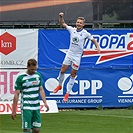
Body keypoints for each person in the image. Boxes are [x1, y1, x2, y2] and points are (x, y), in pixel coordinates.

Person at [53, 12, 100, 102]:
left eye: (80, 23)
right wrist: (60, 17)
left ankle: (67, 93)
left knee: (73, 74)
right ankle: (59, 85)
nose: (78, 24)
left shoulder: (85, 33)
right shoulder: (72, 30)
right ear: (76, 23)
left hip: (77, 56)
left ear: (83, 25)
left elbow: (94, 40)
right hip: (69, 54)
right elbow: (62, 23)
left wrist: (97, 47)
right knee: (62, 70)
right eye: (77, 22)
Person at [11, 59, 49, 133]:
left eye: (35, 69)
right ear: (27, 67)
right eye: (31, 69)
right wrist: (14, 110)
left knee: (36, 129)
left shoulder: (38, 75)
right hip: (26, 107)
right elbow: (16, 94)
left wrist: (45, 102)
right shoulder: (21, 78)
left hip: (36, 106)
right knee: (26, 129)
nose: (33, 71)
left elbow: (41, 89)